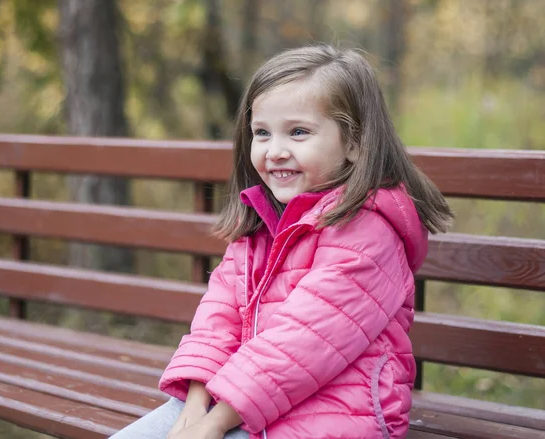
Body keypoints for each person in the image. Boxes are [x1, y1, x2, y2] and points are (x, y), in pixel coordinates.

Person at [109, 44, 453, 439]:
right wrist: (195, 406)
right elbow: (219, 318)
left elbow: (301, 344)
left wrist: (212, 426)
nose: (275, 151)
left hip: (336, 412)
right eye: (261, 133)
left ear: (356, 144)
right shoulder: (261, 223)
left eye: (299, 132)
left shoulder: (367, 235)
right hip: (241, 398)